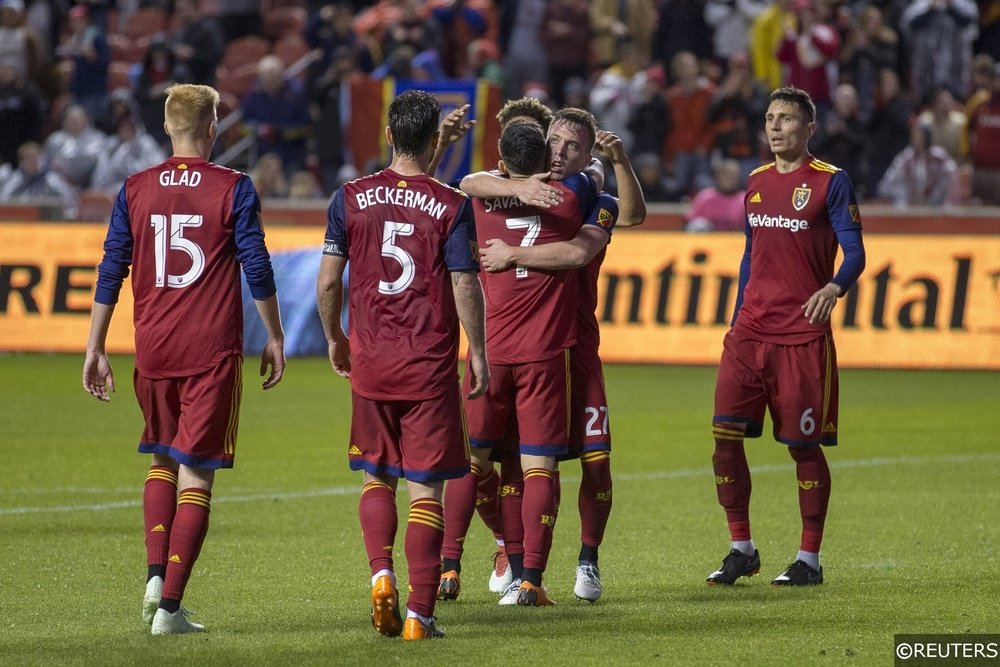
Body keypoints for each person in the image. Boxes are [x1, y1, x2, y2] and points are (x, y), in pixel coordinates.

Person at [82, 83, 286, 634]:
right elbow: (256, 264)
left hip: (152, 349)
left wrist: (96, 345)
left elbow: (111, 269)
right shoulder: (234, 187)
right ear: (213, 128)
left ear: (168, 128)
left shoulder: (134, 187)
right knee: (197, 476)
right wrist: (274, 334)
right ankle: (169, 607)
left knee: (160, 460)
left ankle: (154, 575)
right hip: (210, 351)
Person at [316, 89, 488, 641]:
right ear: (434, 139)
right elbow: (464, 282)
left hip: (371, 362)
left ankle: (380, 574)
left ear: (388, 136)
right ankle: (419, 614)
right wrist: (478, 349)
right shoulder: (453, 204)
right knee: (426, 490)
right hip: (428, 368)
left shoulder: (349, 197)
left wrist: (335, 337)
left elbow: (326, 281)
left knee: (375, 475)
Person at [477, 125, 647, 602]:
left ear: (586, 154)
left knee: (595, 461)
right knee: (514, 463)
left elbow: (626, 218)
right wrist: (513, 185)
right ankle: (515, 564)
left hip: (578, 349)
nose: (559, 151)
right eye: (554, 141)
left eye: (572, 146)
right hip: (531, 347)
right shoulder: (522, 189)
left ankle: (588, 561)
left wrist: (617, 163)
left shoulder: (590, 198)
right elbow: (471, 182)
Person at [706, 86, 866, 587]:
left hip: (801, 336)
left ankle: (809, 559)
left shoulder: (830, 183)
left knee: (802, 447)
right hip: (750, 333)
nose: (775, 127)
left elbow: (856, 251)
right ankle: (741, 549)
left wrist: (835, 287)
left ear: (809, 128)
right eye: (770, 119)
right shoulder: (754, 183)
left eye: (787, 119)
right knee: (724, 439)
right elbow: (751, 255)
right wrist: (736, 318)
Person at [450, 114, 600, 607]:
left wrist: (509, 245)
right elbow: (578, 248)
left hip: (487, 355)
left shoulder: (477, 199)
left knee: (472, 463)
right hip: (543, 353)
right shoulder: (571, 195)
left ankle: (450, 567)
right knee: (540, 468)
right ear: (542, 159)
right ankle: (530, 579)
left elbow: (465, 181)